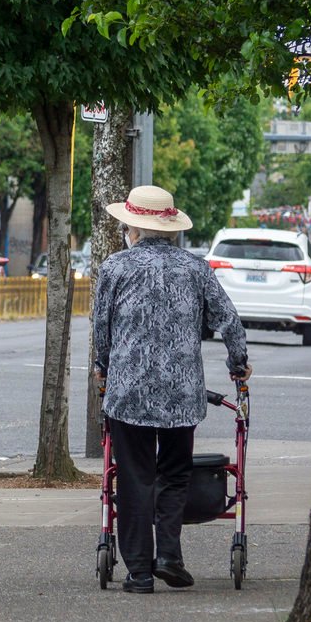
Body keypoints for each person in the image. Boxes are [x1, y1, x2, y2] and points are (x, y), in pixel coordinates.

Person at [90, 185, 250, 594]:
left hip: (128, 392)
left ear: (133, 227)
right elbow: (229, 321)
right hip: (182, 395)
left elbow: (102, 329)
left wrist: (102, 369)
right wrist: (238, 364)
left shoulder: (115, 268)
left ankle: (140, 572)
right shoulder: (196, 269)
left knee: (134, 478)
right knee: (175, 475)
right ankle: (170, 557)